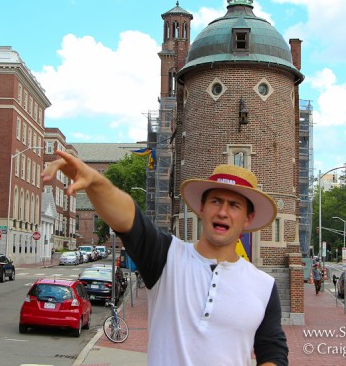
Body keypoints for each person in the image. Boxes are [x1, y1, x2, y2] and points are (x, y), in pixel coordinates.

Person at [43, 151, 288, 366]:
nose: (222, 211)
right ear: (201, 208)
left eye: (234, 205)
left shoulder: (264, 286)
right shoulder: (167, 256)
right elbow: (129, 217)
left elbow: (273, 352)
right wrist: (96, 182)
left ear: (247, 219)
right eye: (215, 201)